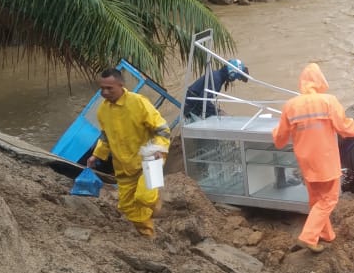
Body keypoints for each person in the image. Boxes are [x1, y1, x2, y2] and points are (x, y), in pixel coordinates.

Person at [273, 63, 354, 253]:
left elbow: (280, 138)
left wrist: (274, 133)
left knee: (316, 200)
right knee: (329, 199)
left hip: (306, 161)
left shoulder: (290, 106)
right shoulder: (328, 101)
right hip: (326, 160)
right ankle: (308, 236)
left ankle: (326, 234)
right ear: (320, 81)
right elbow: (345, 128)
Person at [87, 68, 171, 237]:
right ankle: (148, 235)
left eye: (109, 88)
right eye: (102, 88)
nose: (105, 92)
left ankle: (159, 207)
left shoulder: (138, 102)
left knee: (145, 198)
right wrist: (96, 155)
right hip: (123, 165)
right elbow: (106, 137)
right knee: (127, 206)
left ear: (121, 85)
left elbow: (162, 128)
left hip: (150, 159)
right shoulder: (102, 111)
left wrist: (158, 149)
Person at [183, 59, 249, 119]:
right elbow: (203, 100)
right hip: (192, 106)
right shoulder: (216, 80)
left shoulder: (217, 75)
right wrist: (218, 112)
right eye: (237, 78)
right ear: (232, 75)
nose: (235, 80)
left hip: (193, 101)